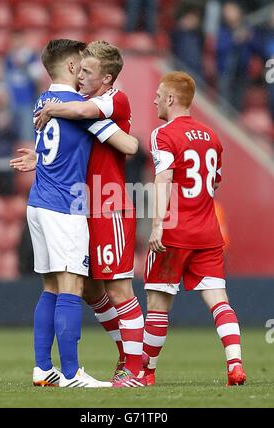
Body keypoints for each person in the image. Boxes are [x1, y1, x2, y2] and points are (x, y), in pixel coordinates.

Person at [14, 41, 146, 388]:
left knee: (52, 288)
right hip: (66, 206)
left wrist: (40, 159)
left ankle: (43, 368)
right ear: (73, 67)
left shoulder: (43, 102)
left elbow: (60, 147)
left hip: (39, 202)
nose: (84, 74)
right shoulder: (80, 107)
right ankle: (72, 374)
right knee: (72, 287)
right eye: (82, 68)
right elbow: (130, 146)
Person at [142, 71, 246, 386]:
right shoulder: (212, 137)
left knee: (158, 304)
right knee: (219, 300)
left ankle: (147, 373)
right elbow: (215, 181)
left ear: (171, 99)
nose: (155, 99)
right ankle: (235, 365)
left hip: (174, 231)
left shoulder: (163, 135)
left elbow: (164, 179)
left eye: (159, 95)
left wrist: (157, 224)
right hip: (208, 232)